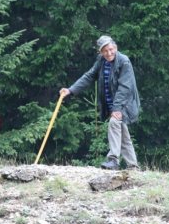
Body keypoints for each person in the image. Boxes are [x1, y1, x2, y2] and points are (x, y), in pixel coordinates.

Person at [60, 36, 141, 170]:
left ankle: (113, 160)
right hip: (114, 105)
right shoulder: (101, 61)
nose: (109, 53)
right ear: (100, 52)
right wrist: (71, 90)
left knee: (114, 122)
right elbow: (89, 76)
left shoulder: (124, 62)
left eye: (110, 49)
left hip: (125, 104)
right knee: (122, 134)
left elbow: (124, 88)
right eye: (105, 51)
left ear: (115, 48)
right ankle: (133, 166)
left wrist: (116, 108)